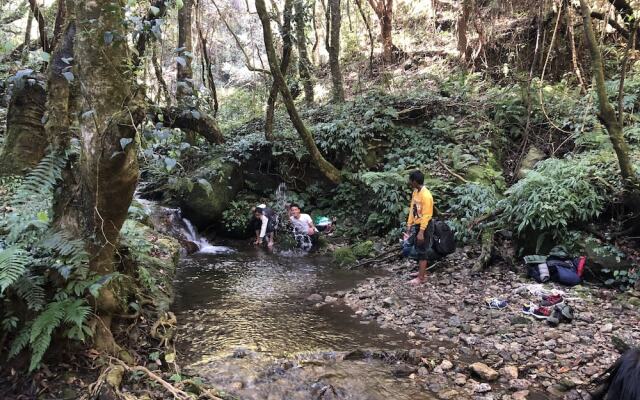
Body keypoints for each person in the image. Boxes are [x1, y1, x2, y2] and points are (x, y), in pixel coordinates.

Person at [404, 170, 434, 285]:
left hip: (425, 226)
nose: (409, 182)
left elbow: (426, 215)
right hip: (417, 224)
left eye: (410, 180)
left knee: (422, 250)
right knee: (418, 248)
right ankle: (421, 272)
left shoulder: (426, 196)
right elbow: (413, 209)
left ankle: (421, 278)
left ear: (415, 181)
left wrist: (421, 232)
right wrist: (409, 225)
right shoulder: (416, 192)